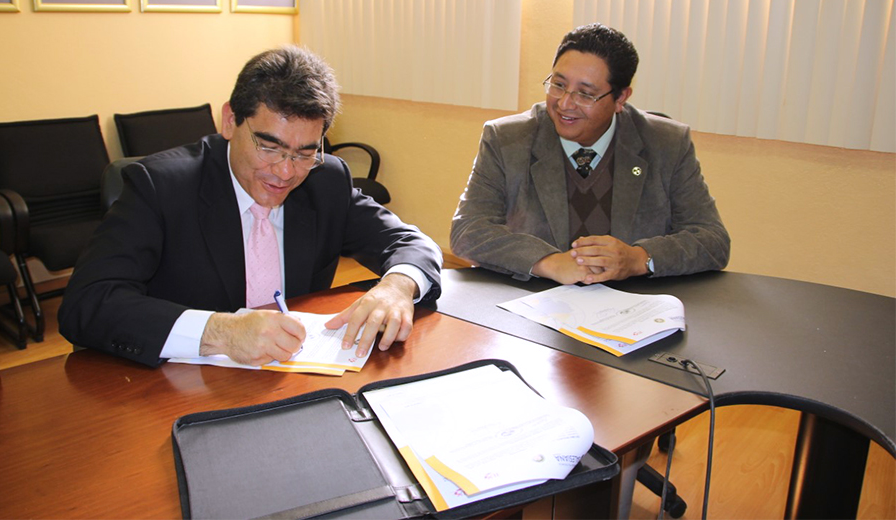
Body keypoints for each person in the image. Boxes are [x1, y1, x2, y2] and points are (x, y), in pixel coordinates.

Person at [59, 46, 442, 368]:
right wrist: (219, 332)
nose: (285, 172)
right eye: (269, 147)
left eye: (305, 152)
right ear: (230, 121)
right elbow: (86, 303)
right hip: (178, 389)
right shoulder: (160, 186)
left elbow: (411, 243)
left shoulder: (324, 181)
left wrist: (397, 286)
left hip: (293, 379)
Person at [450, 24, 729, 285]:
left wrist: (638, 258)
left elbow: (712, 239)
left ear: (620, 98)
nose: (564, 104)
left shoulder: (666, 143)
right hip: (535, 305)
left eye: (585, 94)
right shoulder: (507, 139)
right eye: (558, 85)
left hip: (632, 309)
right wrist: (549, 262)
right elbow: (468, 231)